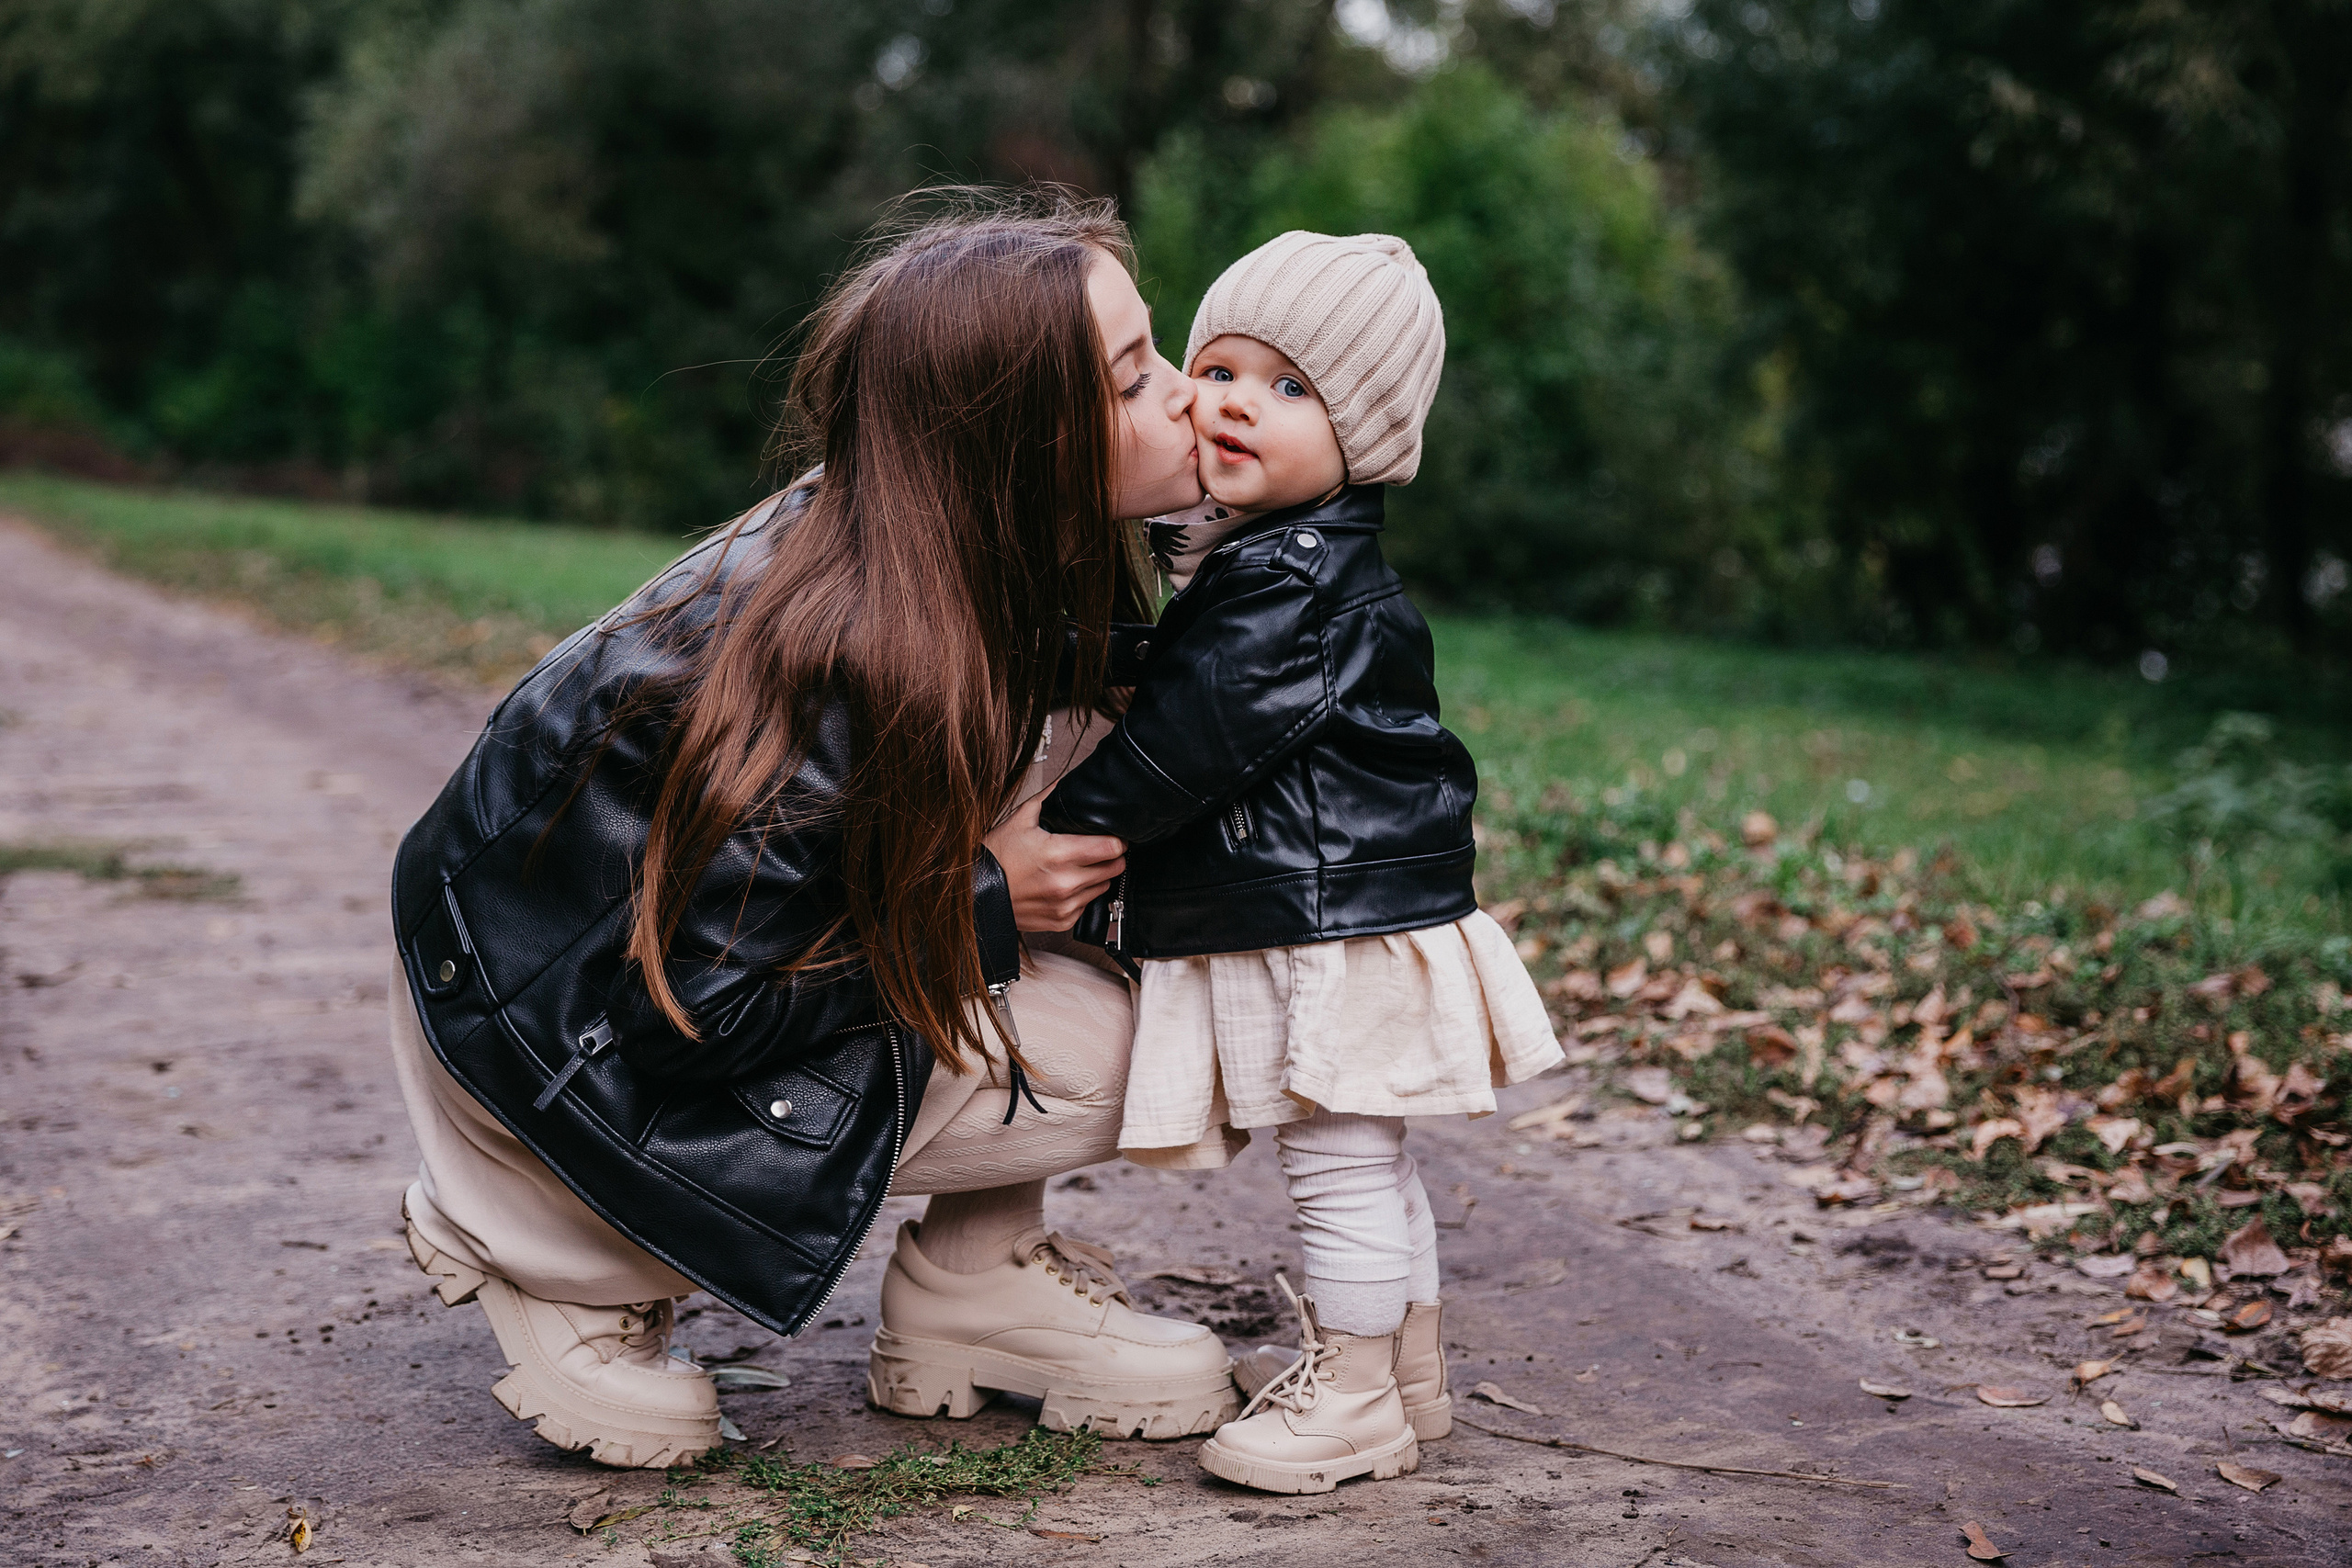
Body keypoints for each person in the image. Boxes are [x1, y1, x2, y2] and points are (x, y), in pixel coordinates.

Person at [385, 192, 1241, 1470]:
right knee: (1155, 1046)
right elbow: (687, 1013)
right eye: (1132, 381)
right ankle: (553, 1243)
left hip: (573, 980)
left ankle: (976, 1282)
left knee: (1105, 749)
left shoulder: (933, 547)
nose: (1185, 395)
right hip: (537, 1041)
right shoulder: (839, 658)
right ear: (1020, 444)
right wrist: (982, 903)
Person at [1038, 231, 1564, 1494]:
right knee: (1370, 1160)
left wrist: (1059, 830)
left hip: (1327, 919)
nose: (1233, 402)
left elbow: (1182, 749)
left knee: (1339, 1167)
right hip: (1349, 901)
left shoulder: (1297, 586)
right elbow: (1192, 670)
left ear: (1364, 436)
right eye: (1218, 369)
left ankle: (1355, 1396)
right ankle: (1406, 1376)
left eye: (1288, 388)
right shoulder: (1277, 561)